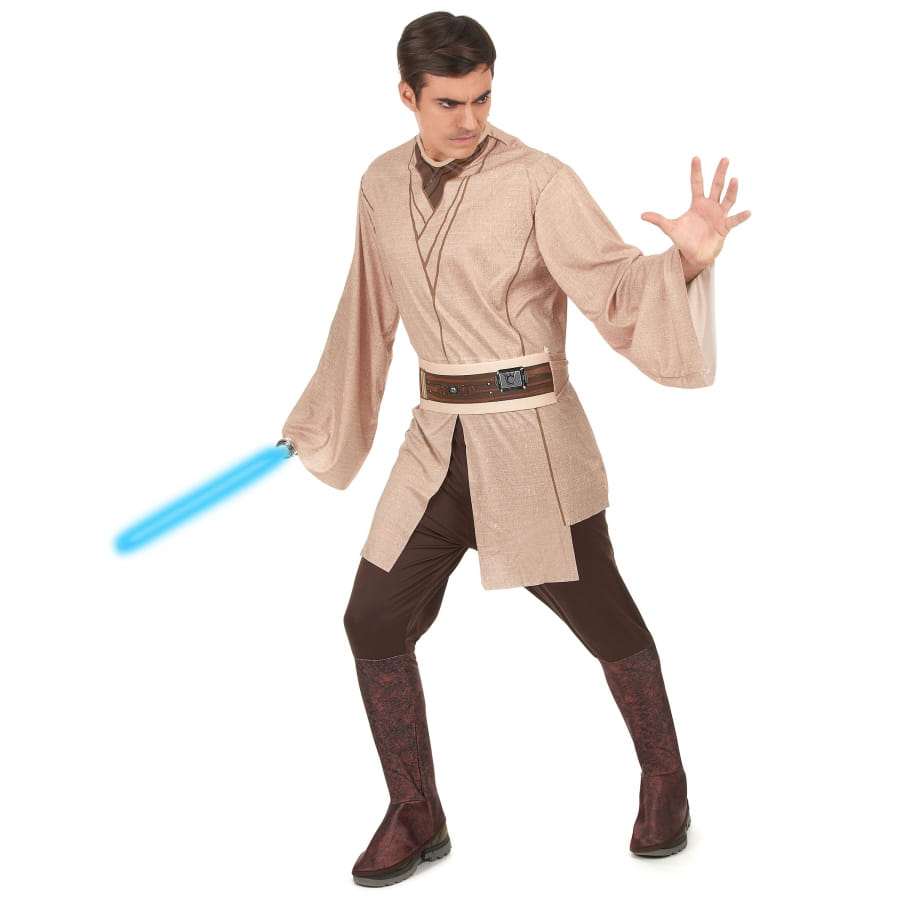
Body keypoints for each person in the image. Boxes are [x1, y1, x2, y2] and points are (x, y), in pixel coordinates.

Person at [280, 11, 749, 888]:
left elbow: (613, 286)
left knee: (605, 619)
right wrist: (318, 421)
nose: (470, 119)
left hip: (531, 442)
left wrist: (682, 262)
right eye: (449, 102)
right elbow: (365, 310)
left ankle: (665, 779)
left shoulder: (540, 179)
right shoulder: (378, 183)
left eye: (484, 98)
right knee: (371, 618)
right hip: (435, 445)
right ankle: (415, 812)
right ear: (407, 95)